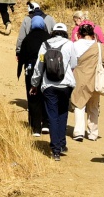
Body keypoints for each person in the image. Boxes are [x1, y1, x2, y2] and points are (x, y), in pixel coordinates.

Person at [32, 22, 78, 160]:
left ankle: (55, 150)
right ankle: (62, 144)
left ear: (53, 32)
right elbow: (75, 63)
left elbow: (39, 65)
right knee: (63, 113)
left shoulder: (45, 45)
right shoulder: (69, 44)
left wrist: (34, 83)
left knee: (52, 115)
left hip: (49, 85)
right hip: (65, 85)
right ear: (65, 32)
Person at [15, 8, 51, 135]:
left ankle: (35, 127)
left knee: (33, 97)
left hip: (30, 70)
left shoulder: (28, 39)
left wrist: (20, 68)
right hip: (46, 71)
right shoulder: (48, 38)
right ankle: (46, 124)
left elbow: (22, 57)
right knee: (46, 96)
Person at [69, 22, 104, 142]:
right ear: (93, 34)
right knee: (94, 107)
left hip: (80, 78)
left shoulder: (75, 45)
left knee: (79, 104)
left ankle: (79, 132)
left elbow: (71, 62)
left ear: (79, 34)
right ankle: (92, 133)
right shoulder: (100, 47)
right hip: (95, 80)